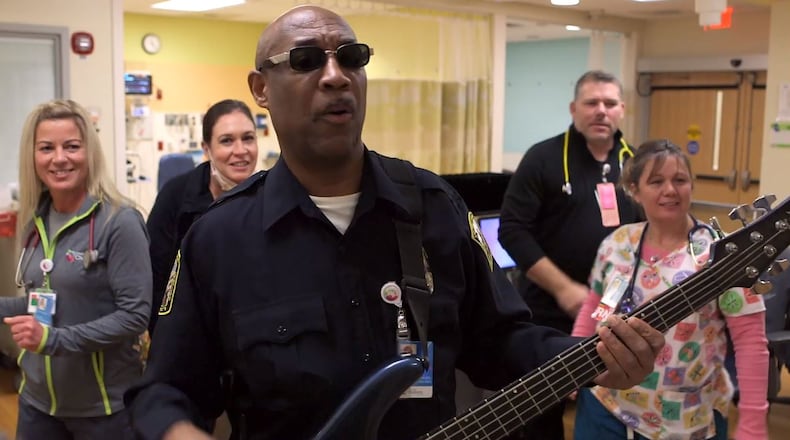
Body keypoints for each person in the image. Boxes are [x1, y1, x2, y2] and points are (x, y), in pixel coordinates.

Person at [124, 6, 665, 440]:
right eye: (308, 59)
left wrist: (595, 358)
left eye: (351, 58)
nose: (335, 76)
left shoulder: (434, 206)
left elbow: (500, 343)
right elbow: (164, 392)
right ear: (260, 88)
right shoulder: (219, 238)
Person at [571, 140, 768, 439]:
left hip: (686, 416)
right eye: (656, 181)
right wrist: (573, 365)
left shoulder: (722, 253)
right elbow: (596, 307)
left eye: (680, 180)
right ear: (634, 190)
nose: (670, 190)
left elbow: (750, 342)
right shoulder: (618, 244)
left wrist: (753, 424)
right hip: (605, 406)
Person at [498, 70, 643, 439]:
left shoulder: (638, 164)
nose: (601, 111)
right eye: (591, 102)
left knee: (607, 411)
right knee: (539, 417)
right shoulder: (543, 158)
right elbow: (512, 231)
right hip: (548, 313)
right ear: (573, 108)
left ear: (622, 109)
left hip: (616, 313)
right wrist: (564, 290)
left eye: (609, 103)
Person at [5, 99, 151, 439]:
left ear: (89, 152)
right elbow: (45, 301)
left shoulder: (119, 222)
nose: (59, 158)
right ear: (33, 156)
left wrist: (54, 340)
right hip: (37, 402)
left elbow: (134, 316)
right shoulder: (34, 219)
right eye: (46, 148)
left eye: (71, 146)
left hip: (102, 409)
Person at [146, 99, 258, 334]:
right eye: (227, 141)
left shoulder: (269, 197)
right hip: (186, 334)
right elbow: (155, 277)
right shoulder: (176, 196)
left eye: (248, 138)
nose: (240, 150)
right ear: (206, 149)